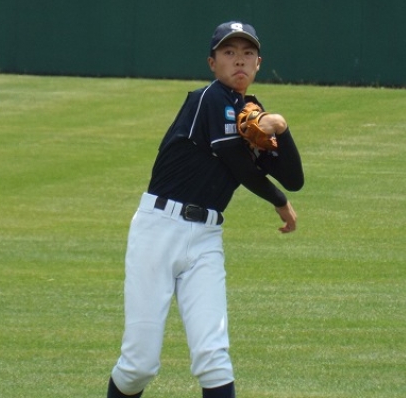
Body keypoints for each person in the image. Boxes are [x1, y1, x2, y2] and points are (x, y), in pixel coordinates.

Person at [106, 21, 304, 398]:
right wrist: (279, 202)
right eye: (229, 52)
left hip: (206, 239)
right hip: (158, 231)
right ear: (212, 63)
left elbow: (294, 178)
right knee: (138, 367)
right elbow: (238, 163)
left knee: (214, 359)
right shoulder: (206, 100)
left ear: (258, 63)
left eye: (247, 53)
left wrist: (280, 126)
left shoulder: (253, 112)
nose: (239, 60)